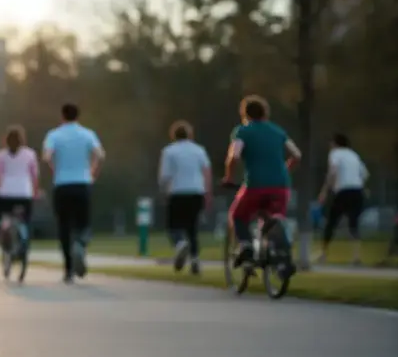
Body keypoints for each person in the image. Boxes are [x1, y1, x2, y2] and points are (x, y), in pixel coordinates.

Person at [222, 95, 301, 276]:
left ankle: (246, 246)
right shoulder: (278, 131)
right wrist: (284, 171)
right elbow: (297, 155)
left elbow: (234, 157)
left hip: (256, 184)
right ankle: (281, 258)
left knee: (237, 215)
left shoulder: (243, 131)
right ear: (266, 113)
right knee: (275, 218)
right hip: (281, 185)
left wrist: (228, 177)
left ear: (244, 113)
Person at [42, 103, 104, 283]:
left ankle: (68, 269)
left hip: (62, 185)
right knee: (83, 222)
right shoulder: (87, 134)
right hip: (82, 183)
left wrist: (54, 168)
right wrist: (92, 171)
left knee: (64, 226)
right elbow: (100, 154)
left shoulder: (54, 135)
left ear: (62, 116)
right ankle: (80, 245)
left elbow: (47, 156)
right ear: (78, 116)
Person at [158, 120, 212, 275]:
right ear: (190, 134)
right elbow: (206, 171)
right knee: (192, 228)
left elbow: (165, 176)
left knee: (173, 226)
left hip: (177, 192)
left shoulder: (169, 151)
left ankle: (180, 244)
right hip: (196, 191)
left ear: (173, 135)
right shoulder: (199, 150)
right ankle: (195, 260)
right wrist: (207, 192)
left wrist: (163, 191)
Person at [318, 133, 369, 265]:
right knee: (354, 223)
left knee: (331, 221)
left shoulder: (335, 154)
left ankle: (323, 254)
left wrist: (325, 191)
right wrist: (362, 186)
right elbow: (365, 174)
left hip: (343, 191)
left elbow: (333, 171)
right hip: (357, 191)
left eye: (331, 143)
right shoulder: (354, 155)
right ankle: (356, 256)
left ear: (336, 144)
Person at [0, 124, 38, 262]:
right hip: (24, 192)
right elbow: (34, 175)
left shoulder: (1, 155)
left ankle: (4, 233)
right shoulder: (30, 154)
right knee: (25, 220)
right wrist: (35, 191)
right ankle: (24, 241)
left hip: (5, 193)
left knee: (3, 217)